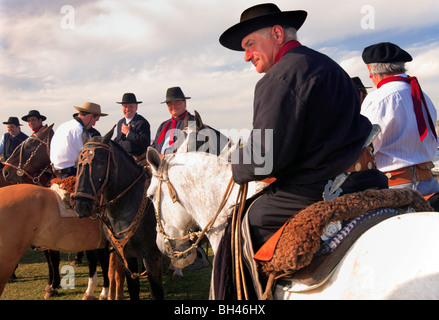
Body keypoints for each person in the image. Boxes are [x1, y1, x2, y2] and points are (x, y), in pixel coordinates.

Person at [219, 3, 388, 252]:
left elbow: (264, 159)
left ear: (277, 34)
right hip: (367, 177)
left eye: (250, 44)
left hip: (321, 190)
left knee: (243, 224)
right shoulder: (331, 66)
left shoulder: (278, 78)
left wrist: (234, 165)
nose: (246, 56)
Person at [360, 42, 439, 196]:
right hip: (429, 183)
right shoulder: (422, 95)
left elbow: (366, 147)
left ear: (371, 70)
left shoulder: (378, 98)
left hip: (395, 188)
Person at [50, 102, 107, 178]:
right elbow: (89, 157)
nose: (94, 124)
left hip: (57, 172)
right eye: (95, 120)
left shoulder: (63, 126)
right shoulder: (80, 130)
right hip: (72, 173)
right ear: (90, 116)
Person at [151, 87, 195, 155]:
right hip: (159, 163)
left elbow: (191, 147)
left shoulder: (192, 122)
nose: (173, 106)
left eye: (177, 102)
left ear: (185, 103)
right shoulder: (163, 125)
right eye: (170, 103)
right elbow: (155, 145)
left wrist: (166, 157)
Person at [114, 93, 151, 158]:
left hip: (137, 160)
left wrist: (128, 133)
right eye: (125, 106)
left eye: (130, 106)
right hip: (121, 158)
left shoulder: (142, 122)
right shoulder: (120, 122)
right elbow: (118, 141)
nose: (127, 109)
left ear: (136, 108)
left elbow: (145, 142)